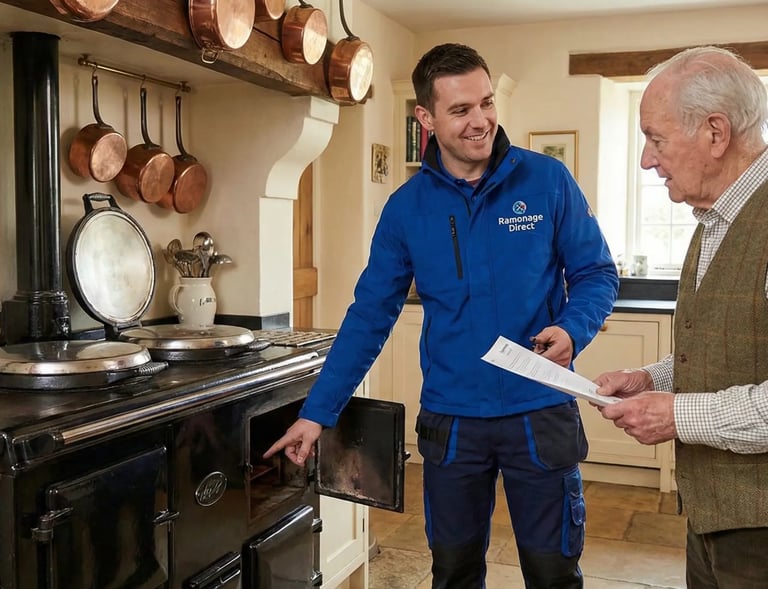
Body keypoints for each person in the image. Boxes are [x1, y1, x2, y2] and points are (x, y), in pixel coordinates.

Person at [265, 43, 618, 589]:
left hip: (540, 411)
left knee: (554, 575)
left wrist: (573, 329)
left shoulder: (548, 181)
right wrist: (317, 413)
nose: (481, 121)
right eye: (460, 110)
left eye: (486, 103)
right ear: (425, 118)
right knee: (453, 573)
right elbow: (369, 316)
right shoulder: (407, 208)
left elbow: (597, 273)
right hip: (453, 423)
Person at [594, 45, 768, 587]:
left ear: (715, 133)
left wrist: (678, 416)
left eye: (656, 139)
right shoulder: (713, 216)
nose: (646, 160)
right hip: (712, 517)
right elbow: (729, 344)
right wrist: (653, 378)